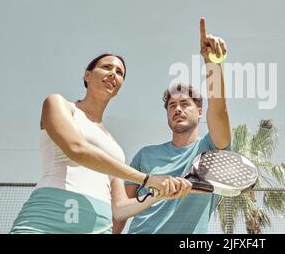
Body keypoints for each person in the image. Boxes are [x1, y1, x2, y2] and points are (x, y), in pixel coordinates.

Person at [10, 54, 191, 234]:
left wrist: (157, 194)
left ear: (118, 88)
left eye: (119, 72)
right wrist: (147, 179)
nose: (113, 73)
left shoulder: (115, 148)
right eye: (106, 67)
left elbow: (120, 209)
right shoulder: (60, 104)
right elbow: (77, 149)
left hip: (99, 228)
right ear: (87, 76)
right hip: (49, 218)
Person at [114, 18, 231, 234]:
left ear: (199, 112)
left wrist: (212, 63)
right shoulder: (144, 155)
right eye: (172, 105)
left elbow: (219, 109)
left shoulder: (211, 150)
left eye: (185, 104)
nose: (177, 109)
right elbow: (120, 211)